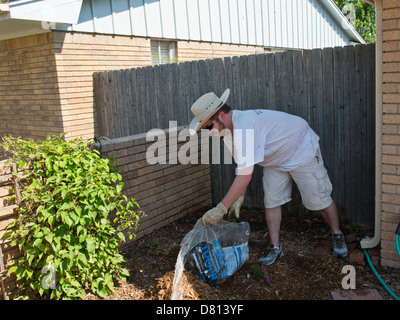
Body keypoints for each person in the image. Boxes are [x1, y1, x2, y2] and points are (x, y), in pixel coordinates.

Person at [189, 88, 348, 266]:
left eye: (209, 126)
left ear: (222, 116)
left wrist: (220, 209)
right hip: (275, 160)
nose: (209, 131)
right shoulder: (226, 133)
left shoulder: (245, 126)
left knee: (318, 199)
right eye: (205, 129)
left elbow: (245, 177)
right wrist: (239, 194)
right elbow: (242, 166)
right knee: (271, 201)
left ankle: (337, 233)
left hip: (300, 150)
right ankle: (275, 247)